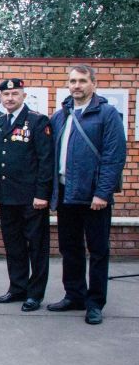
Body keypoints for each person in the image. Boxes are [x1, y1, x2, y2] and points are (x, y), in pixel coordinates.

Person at [47, 65, 126, 325]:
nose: (76, 85)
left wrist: (102, 193)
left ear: (93, 83)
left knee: (98, 250)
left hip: (94, 197)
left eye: (82, 80)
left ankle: (95, 303)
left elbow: (114, 158)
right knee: (70, 249)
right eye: (72, 81)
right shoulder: (60, 116)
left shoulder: (107, 114)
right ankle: (75, 295)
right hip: (66, 194)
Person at [0, 78, 53, 312]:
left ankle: (35, 294)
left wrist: (42, 194)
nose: (10, 98)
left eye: (14, 94)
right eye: (5, 95)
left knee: (36, 247)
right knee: (14, 245)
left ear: (24, 96)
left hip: (31, 198)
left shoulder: (37, 121)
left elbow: (46, 160)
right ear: (0, 98)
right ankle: (17, 288)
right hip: (7, 197)